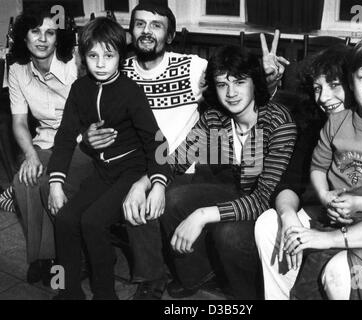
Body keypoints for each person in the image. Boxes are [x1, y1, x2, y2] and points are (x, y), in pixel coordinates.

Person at [81, 2, 289, 300]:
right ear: (130, 32)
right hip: (145, 163)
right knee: (150, 190)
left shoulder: (195, 69)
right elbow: (89, 109)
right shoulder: (117, 71)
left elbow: (234, 74)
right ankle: (176, 275)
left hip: (221, 179)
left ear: (170, 35)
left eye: (156, 25)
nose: (147, 31)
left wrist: (268, 77)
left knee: (178, 201)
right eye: (140, 24)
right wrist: (142, 178)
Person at [257, 33, 362, 300]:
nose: (324, 97)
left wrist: (355, 208)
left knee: (359, 281)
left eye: (333, 85)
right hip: (334, 219)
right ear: (355, 81)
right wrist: (307, 208)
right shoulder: (331, 123)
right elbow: (301, 177)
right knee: (303, 281)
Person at [156, 45, 297, 300]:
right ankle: (198, 275)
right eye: (222, 85)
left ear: (255, 82)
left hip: (269, 207)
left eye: (240, 82)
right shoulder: (216, 117)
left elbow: (264, 199)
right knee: (170, 198)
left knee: (228, 233)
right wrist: (149, 183)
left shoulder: (277, 122)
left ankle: (246, 293)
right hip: (235, 191)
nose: (231, 93)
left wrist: (201, 215)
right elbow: (176, 160)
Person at [47, 17, 170, 300]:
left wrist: (158, 181)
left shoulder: (130, 92)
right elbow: (65, 136)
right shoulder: (79, 90)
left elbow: (157, 141)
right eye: (93, 56)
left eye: (109, 55)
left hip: (130, 172)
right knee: (65, 219)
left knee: (92, 222)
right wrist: (56, 182)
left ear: (121, 57)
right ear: (83, 57)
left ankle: (105, 294)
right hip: (102, 172)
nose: (101, 63)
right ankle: (67, 291)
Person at [7, 8, 92, 286]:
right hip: (45, 142)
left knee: (47, 180)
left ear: (59, 38)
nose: (42, 39)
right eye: (35, 31)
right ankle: (42, 257)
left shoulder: (75, 64)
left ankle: (65, 258)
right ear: (24, 37)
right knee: (25, 179)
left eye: (50, 32)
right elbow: (19, 122)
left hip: (81, 144)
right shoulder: (18, 70)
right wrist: (30, 155)